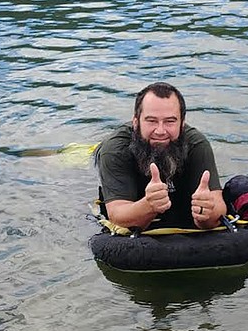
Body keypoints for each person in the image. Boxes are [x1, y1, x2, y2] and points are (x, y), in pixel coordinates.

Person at [96, 82, 225, 231]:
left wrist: (207, 212)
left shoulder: (197, 145)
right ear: (136, 122)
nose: (160, 131)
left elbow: (218, 205)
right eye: (151, 121)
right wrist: (149, 206)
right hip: (133, 196)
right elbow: (116, 214)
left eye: (170, 121)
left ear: (182, 123)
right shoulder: (115, 150)